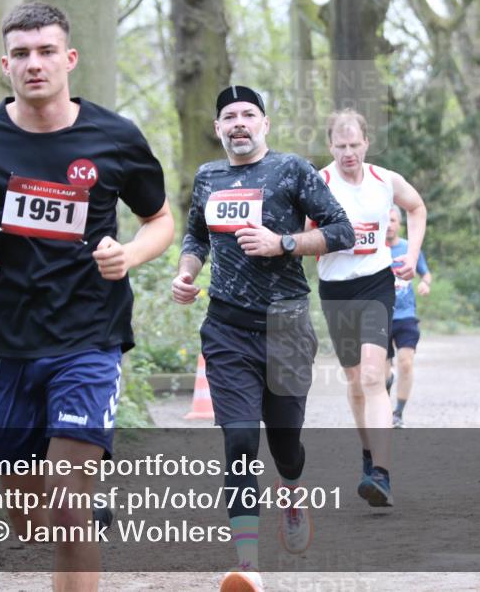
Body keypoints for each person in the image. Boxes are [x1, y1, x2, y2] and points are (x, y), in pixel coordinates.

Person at [0, 2, 174, 592]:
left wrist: (130, 254)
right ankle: (78, 511)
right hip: (10, 343)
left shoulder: (116, 136)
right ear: (6, 64)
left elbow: (159, 218)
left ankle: (79, 508)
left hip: (90, 337)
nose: (36, 64)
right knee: (28, 520)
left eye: (48, 51)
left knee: (64, 508)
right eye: (24, 54)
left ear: (70, 58)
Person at [171, 85, 354, 592]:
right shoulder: (207, 177)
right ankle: (247, 564)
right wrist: (186, 273)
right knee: (238, 440)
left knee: (285, 445)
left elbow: (343, 231)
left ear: (265, 123)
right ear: (218, 129)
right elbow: (195, 237)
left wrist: (285, 243)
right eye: (228, 116)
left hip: (287, 326)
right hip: (226, 329)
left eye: (248, 114)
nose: (239, 123)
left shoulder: (292, 169)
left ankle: (291, 492)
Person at [315, 109, 426, 508]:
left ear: (366, 143)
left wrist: (411, 256)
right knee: (355, 380)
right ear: (330, 146)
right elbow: (297, 233)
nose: (348, 153)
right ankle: (367, 454)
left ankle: (381, 473)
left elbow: (416, 207)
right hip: (335, 288)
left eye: (355, 145)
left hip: (377, 283)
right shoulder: (319, 183)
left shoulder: (385, 180)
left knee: (375, 376)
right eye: (340, 146)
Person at [384, 205, 432, 428]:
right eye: (385, 220)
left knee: (405, 364)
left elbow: (425, 272)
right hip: (379, 316)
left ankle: (398, 413)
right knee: (382, 374)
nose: (389, 225)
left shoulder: (409, 248)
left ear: (399, 224)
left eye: (393, 220)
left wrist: (424, 283)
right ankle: (382, 404)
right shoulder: (374, 249)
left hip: (405, 316)